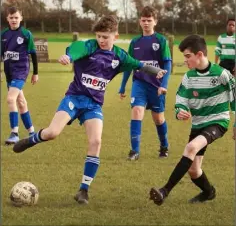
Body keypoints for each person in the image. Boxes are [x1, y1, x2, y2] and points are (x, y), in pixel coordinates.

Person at [13, 15, 167, 205]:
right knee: (52, 133)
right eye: (99, 36)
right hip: (74, 98)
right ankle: (32, 139)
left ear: (115, 36)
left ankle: (83, 190)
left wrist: (156, 72)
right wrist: (68, 57)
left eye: (105, 37)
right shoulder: (89, 46)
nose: (101, 40)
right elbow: (76, 49)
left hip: (93, 104)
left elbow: (138, 64)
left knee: (96, 141)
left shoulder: (119, 56)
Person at [149, 34, 235, 206]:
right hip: (198, 124)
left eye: (188, 56)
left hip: (218, 121)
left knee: (191, 147)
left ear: (200, 55)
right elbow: (181, 98)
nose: (186, 60)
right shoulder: (188, 77)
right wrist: (180, 111)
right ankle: (208, 192)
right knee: (194, 170)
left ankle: (164, 191)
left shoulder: (222, 75)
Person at [118, 6, 172, 159]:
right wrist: (122, 87)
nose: (146, 23)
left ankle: (164, 146)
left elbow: (167, 64)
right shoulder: (135, 42)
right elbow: (129, 65)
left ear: (155, 22)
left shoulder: (161, 40)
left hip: (156, 86)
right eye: (143, 20)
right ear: (139, 22)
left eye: (149, 20)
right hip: (139, 83)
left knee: (158, 118)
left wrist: (164, 85)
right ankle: (134, 151)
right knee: (136, 111)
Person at [1, 6, 39, 145]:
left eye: (16, 17)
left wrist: (35, 73)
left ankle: (14, 133)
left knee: (11, 99)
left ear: (21, 18)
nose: (14, 20)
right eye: (11, 18)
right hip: (9, 72)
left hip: (21, 71)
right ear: (7, 19)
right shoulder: (3, 34)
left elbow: (33, 54)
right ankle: (32, 132)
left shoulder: (26, 34)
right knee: (21, 102)